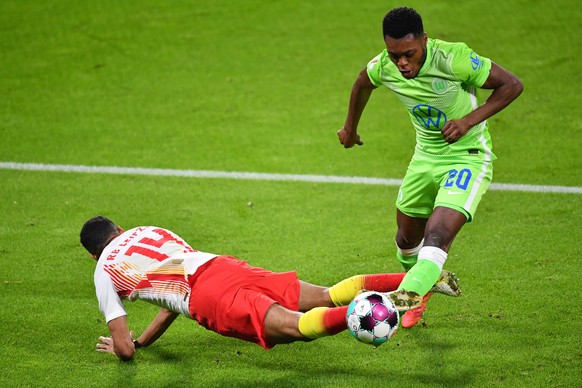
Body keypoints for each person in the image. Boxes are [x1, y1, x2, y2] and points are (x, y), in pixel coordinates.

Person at [337, 7, 523, 328]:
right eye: (395, 56)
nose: (402, 63)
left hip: (467, 156)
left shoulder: (454, 59)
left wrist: (467, 121)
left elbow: (511, 85)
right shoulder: (385, 65)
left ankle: (398, 303)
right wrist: (350, 129)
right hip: (425, 157)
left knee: (436, 237)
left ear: (424, 40)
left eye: (408, 54)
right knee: (406, 242)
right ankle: (427, 281)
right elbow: (361, 84)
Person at [80, 216, 460, 361]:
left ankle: (365, 312)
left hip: (209, 297)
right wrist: (146, 339)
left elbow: (124, 350)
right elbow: (169, 302)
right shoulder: (148, 230)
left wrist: (127, 344)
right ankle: (425, 281)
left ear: (94, 253)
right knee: (326, 294)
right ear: (118, 230)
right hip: (224, 267)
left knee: (299, 327)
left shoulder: (104, 271)